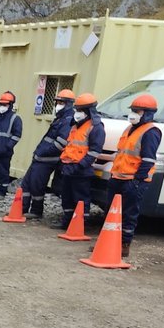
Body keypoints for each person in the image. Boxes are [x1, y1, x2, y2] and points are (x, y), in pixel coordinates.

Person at [105, 94, 161, 257]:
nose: (134, 114)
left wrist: (137, 180)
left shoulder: (151, 132)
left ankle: (124, 244)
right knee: (111, 212)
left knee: (129, 213)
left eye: (138, 111)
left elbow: (148, 159)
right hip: (118, 177)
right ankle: (107, 241)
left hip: (133, 180)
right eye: (133, 110)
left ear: (148, 113)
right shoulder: (129, 129)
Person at [50, 93, 105, 230]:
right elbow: (70, 146)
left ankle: (79, 225)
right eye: (77, 110)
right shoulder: (75, 125)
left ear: (88, 111)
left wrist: (80, 165)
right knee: (67, 197)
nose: (77, 113)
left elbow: (94, 151)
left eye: (80, 110)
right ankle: (67, 222)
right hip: (68, 167)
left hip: (81, 170)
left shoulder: (96, 127)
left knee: (80, 199)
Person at [22, 89, 75, 219]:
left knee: (37, 185)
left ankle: (36, 211)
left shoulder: (68, 120)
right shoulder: (60, 118)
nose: (58, 105)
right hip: (40, 157)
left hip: (48, 159)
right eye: (57, 102)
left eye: (61, 102)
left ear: (68, 104)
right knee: (27, 183)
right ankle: (21, 208)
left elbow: (61, 143)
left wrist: (43, 152)